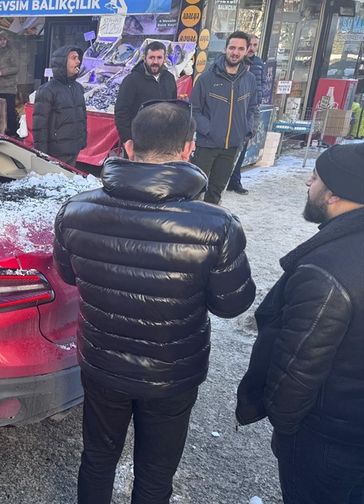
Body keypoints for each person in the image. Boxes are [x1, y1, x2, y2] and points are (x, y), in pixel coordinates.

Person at [54, 101, 256, 504]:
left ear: (129, 146)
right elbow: (232, 304)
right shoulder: (216, 225)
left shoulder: (76, 210)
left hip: (102, 362)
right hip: (172, 373)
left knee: (97, 457)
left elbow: (68, 275)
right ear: (188, 148)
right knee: (155, 472)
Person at [236, 143, 364, 504]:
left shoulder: (325, 271)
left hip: (329, 437)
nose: (308, 181)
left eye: (317, 178)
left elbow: (299, 365)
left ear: (336, 193)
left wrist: (286, 426)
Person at [191, 31, 259, 205]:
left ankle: (209, 227)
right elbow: (194, 110)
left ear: (246, 51)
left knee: (216, 191)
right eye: (232, 48)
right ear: (225, 49)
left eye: (240, 49)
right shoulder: (206, 79)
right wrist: (209, 130)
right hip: (207, 145)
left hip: (232, 147)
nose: (235, 52)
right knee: (195, 189)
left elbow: (252, 108)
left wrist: (247, 130)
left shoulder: (249, 80)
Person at [114, 41, 177, 152]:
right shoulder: (131, 80)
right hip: (138, 143)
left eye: (159, 57)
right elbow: (121, 112)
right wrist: (127, 140)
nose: (155, 62)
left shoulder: (170, 79)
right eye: (151, 58)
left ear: (165, 58)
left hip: (164, 142)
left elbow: (173, 107)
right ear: (144, 58)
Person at [32, 45, 87, 167]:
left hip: (74, 148)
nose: (78, 61)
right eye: (73, 58)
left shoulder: (78, 88)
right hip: (55, 151)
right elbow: (39, 125)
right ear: (62, 62)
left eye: (78, 58)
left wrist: (82, 140)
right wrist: (41, 153)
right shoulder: (47, 90)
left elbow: (82, 116)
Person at [227, 35, 266, 195]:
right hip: (234, 109)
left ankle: (235, 181)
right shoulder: (233, 65)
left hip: (250, 107)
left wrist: (252, 126)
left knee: (241, 149)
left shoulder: (258, 63)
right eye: (250, 45)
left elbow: (261, 84)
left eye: (255, 45)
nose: (252, 48)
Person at [0, 30, 19, 137]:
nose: (2, 41)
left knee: (10, 111)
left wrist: (1, 73)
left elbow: (16, 68)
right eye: (0, 39)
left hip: (9, 87)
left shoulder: (12, 51)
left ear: (7, 40)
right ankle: (1, 130)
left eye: (4, 39)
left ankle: (13, 133)